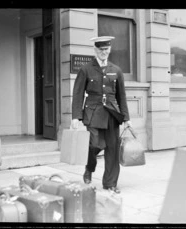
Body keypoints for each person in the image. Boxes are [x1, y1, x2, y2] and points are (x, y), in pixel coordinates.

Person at [71, 36, 132, 193]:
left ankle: (110, 183)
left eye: (106, 49)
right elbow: (77, 93)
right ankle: (89, 168)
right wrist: (75, 117)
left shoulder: (116, 70)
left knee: (112, 149)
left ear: (110, 50)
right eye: (100, 49)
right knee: (94, 145)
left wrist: (126, 118)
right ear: (95, 50)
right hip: (92, 113)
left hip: (112, 114)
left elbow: (121, 96)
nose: (103, 52)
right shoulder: (86, 69)